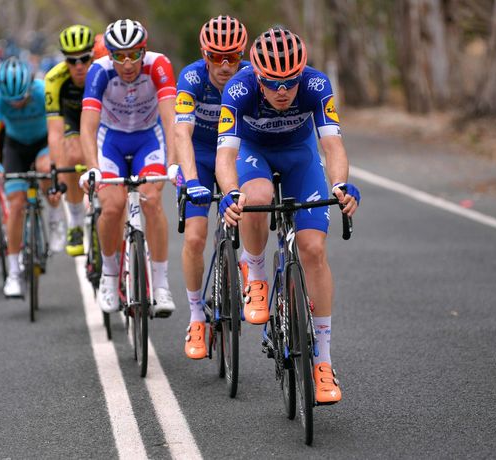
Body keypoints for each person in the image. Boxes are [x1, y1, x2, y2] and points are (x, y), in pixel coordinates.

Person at [215, 28, 360, 404]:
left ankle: (323, 362)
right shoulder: (238, 88)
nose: (283, 91)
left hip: (300, 157)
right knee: (257, 196)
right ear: (258, 78)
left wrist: (341, 185)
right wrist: (231, 192)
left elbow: (332, 144)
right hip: (253, 154)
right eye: (274, 83)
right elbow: (225, 157)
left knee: (313, 249)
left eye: (290, 83)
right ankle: (258, 277)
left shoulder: (316, 84)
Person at [78, 19, 177, 316]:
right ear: (109, 54)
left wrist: (173, 162)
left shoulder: (158, 65)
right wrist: (92, 167)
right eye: (119, 55)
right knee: (111, 206)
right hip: (111, 143)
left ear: (143, 51)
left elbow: (171, 118)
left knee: (151, 199)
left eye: (134, 54)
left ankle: (160, 285)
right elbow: (87, 126)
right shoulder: (99, 70)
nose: (127, 62)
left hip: (149, 139)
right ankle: (109, 276)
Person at [174, 15, 250, 359]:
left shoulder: (251, 76)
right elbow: (181, 134)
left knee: (254, 207)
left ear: (242, 55)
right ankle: (195, 317)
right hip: (202, 157)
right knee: (194, 236)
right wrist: (191, 181)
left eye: (232, 57)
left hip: (238, 153)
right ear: (204, 54)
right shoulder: (190, 77)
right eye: (216, 57)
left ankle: (250, 260)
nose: (223, 65)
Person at [0, 57, 53, 297]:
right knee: (15, 205)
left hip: (43, 142)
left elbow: (58, 126)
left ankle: (54, 219)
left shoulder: (43, 91)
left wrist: (54, 154)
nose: (16, 105)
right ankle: (14, 272)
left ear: (30, 88)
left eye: (21, 99)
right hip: (15, 147)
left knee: (47, 172)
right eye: (11, 101)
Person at [45, 24, 96, 256]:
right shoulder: (54, 79)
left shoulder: (102, 71)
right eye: (71, 60)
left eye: (84, 59)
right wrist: (56, 172)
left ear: (92, 56)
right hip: (72, 119)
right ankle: (76, 220)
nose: (78, 66)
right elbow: (55, 133)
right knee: (74, 155)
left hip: (101, 119)